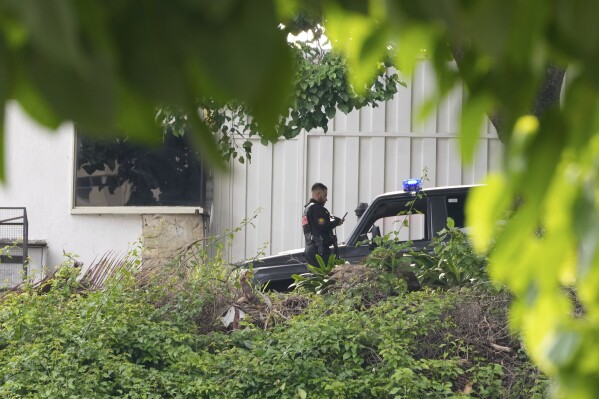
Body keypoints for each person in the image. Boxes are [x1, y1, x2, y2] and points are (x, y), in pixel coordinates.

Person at [302, 182, 344, 266]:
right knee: (325, 275)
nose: (326, 199)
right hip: (319, 249)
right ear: (318, 194)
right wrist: (336, 222)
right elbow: (323, 225)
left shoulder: (307, 209)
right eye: (325, 196)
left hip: (310, 248)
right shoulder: (317, 209)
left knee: (316, 276)